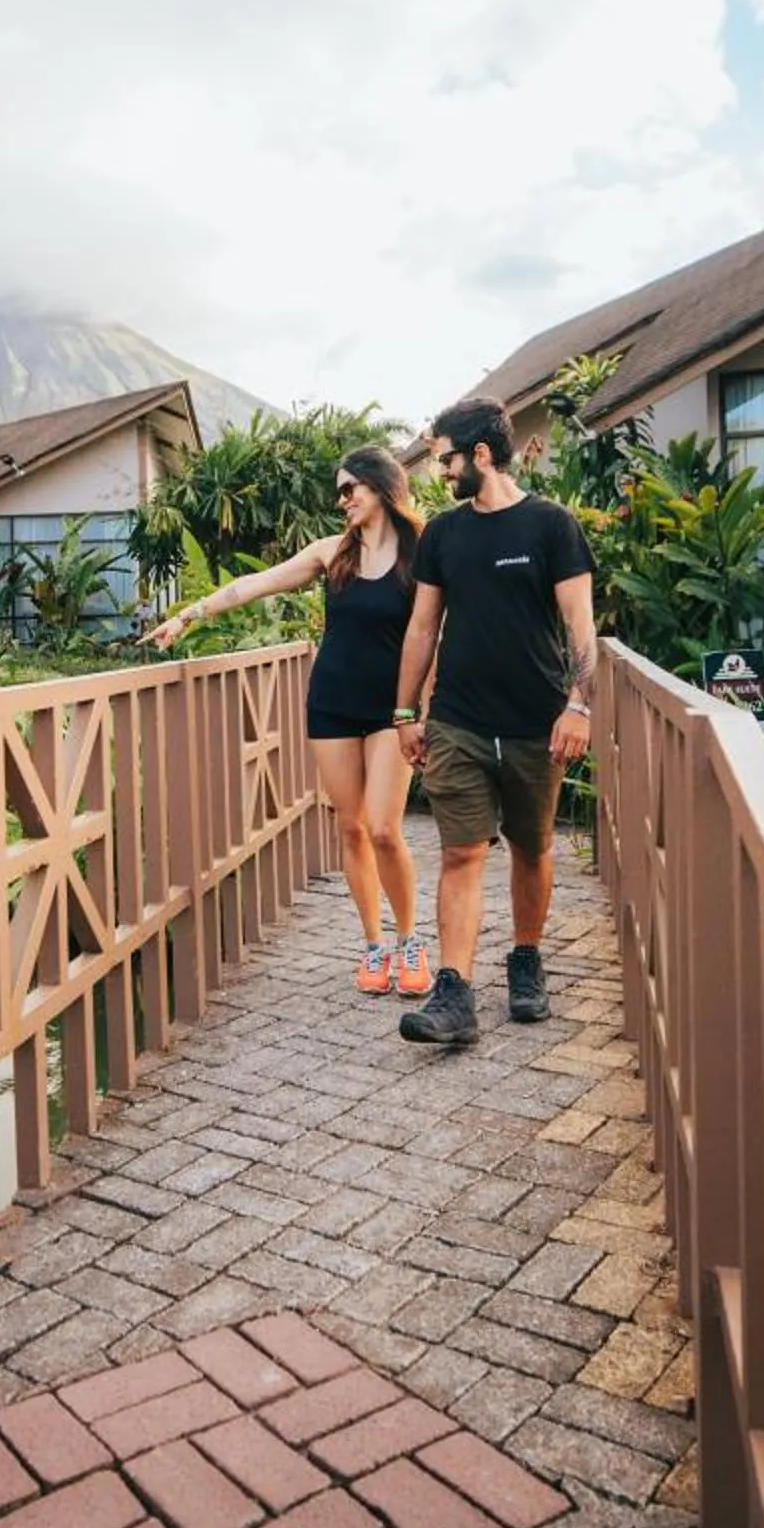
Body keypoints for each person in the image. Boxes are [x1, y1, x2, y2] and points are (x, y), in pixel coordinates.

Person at [148, 446, 433, 997]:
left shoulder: (421, 555)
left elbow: (437, 633)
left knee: (382, 827)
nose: (343, 499)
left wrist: (423, 709)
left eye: (351, 488)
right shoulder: (332, 553)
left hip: (391, 711)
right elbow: (251, 586)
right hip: (331, 703)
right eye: (339, 491)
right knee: (349, 827)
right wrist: (188, 615)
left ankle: (409, 941)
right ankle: (374, 947)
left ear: (382, 487)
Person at [392, 396, 595, 1046]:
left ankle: (526, 958)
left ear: (481, 453)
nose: (441, 471)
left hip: (537, 722)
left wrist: (580, 704)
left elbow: (581, 628)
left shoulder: (551, 527)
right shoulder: (444, 535)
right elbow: (423, 627)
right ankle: (455, 992)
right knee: (461, 849)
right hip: (460, 720)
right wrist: (404, 711)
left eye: (446, 458)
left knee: (533, 848)